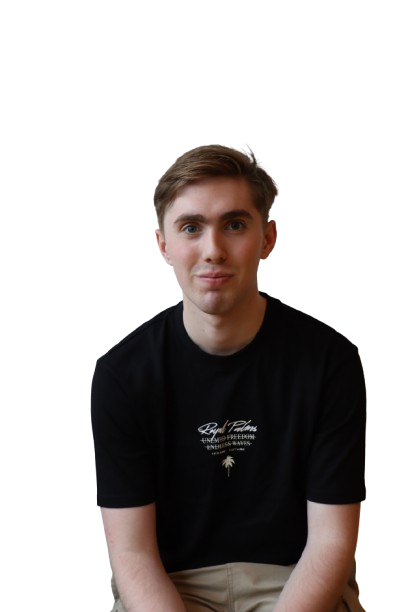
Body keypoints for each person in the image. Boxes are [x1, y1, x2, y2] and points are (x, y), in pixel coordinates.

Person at [91, 143, 367, 611]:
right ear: (163, 244)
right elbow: (132, 553)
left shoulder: (330, 360)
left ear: (267, 238)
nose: (213, 250)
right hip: (172, 586)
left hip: (293, 582)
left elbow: (331, 542)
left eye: (234, 224)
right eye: (191, 227)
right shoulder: (121, 375)